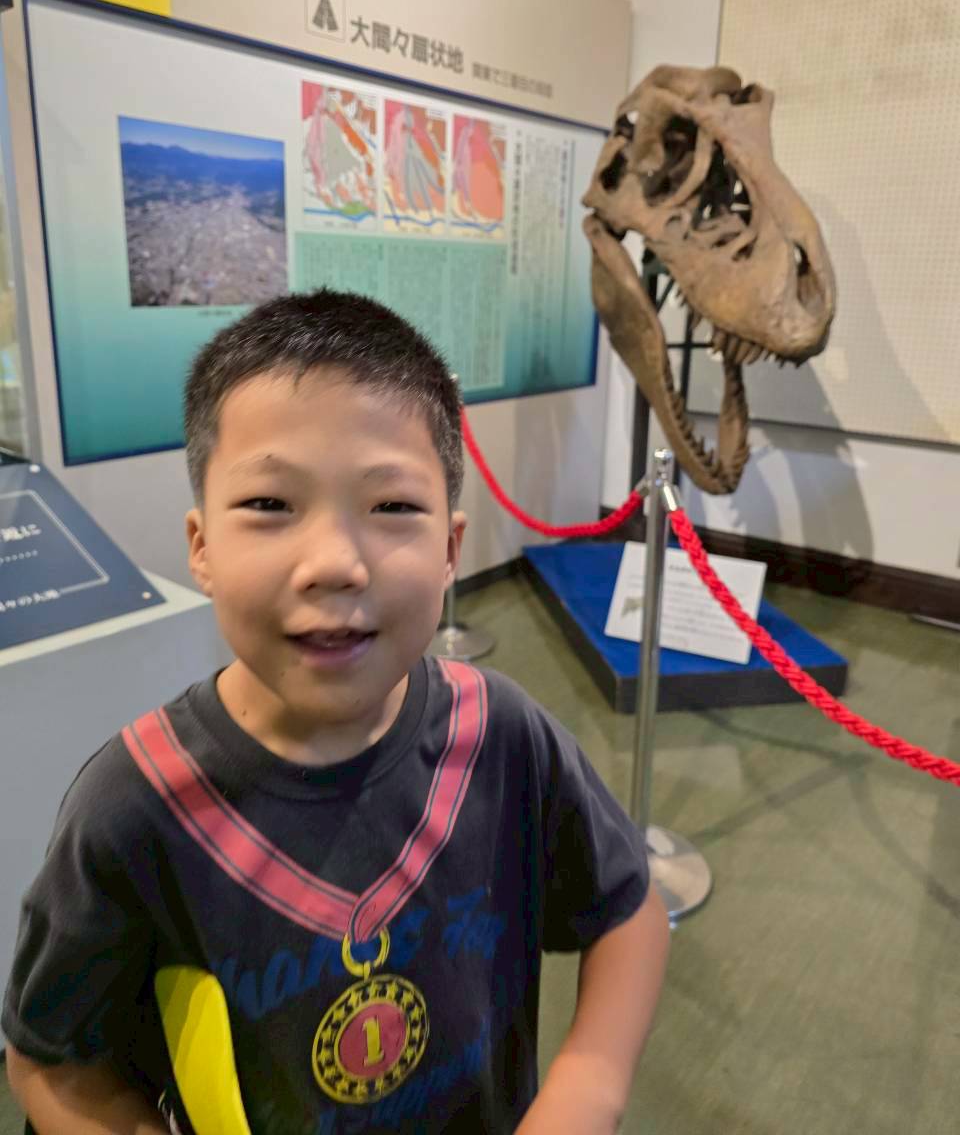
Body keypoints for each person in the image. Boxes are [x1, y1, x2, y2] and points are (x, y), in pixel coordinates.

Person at [3, 289, 670, 1134]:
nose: (334, 563)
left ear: (451, 549)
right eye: (270, 505)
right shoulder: (135, 806)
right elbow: (53, 1059)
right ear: (201, 546)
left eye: (392, 507)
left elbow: (628, 908)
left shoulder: (499, 733)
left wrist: (587, 1090)